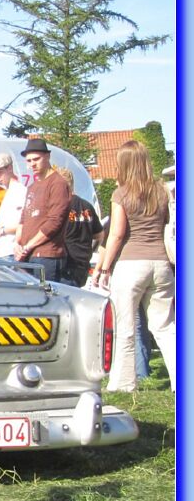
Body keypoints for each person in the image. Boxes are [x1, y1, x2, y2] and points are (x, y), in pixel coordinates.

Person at [95, 140, 175, 392]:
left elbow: (116, 234)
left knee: (125, 326)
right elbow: (166, 224)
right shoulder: (162, 190)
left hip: (131, 265)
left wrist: (105, 267)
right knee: (165, 327)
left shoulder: (121, 194)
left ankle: (124, 383)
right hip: (161, 264)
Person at [12, 138, 71, 282]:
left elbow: (54, 222)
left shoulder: (58, 184)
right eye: (29, 161)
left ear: (47, 156)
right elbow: (24, 218)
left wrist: (28, 246)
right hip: (27, 256)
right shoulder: (32, 186)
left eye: (36, 159)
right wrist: (16, 244)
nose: (32, 164)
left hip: (47, 256)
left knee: (47, 300)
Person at [54, 166, 104, 288]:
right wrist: (90, 249)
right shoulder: (86, 206)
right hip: (82, 265)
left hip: (65, 266)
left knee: (58, 299)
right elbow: (100, 235)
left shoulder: (60, 207)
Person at [0, 151, 27, 259]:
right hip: (2, 251)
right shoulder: (9, 192)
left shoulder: (19, 191)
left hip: (11, 251)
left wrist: (0, 231)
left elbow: (24, 224)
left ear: (9, 168)